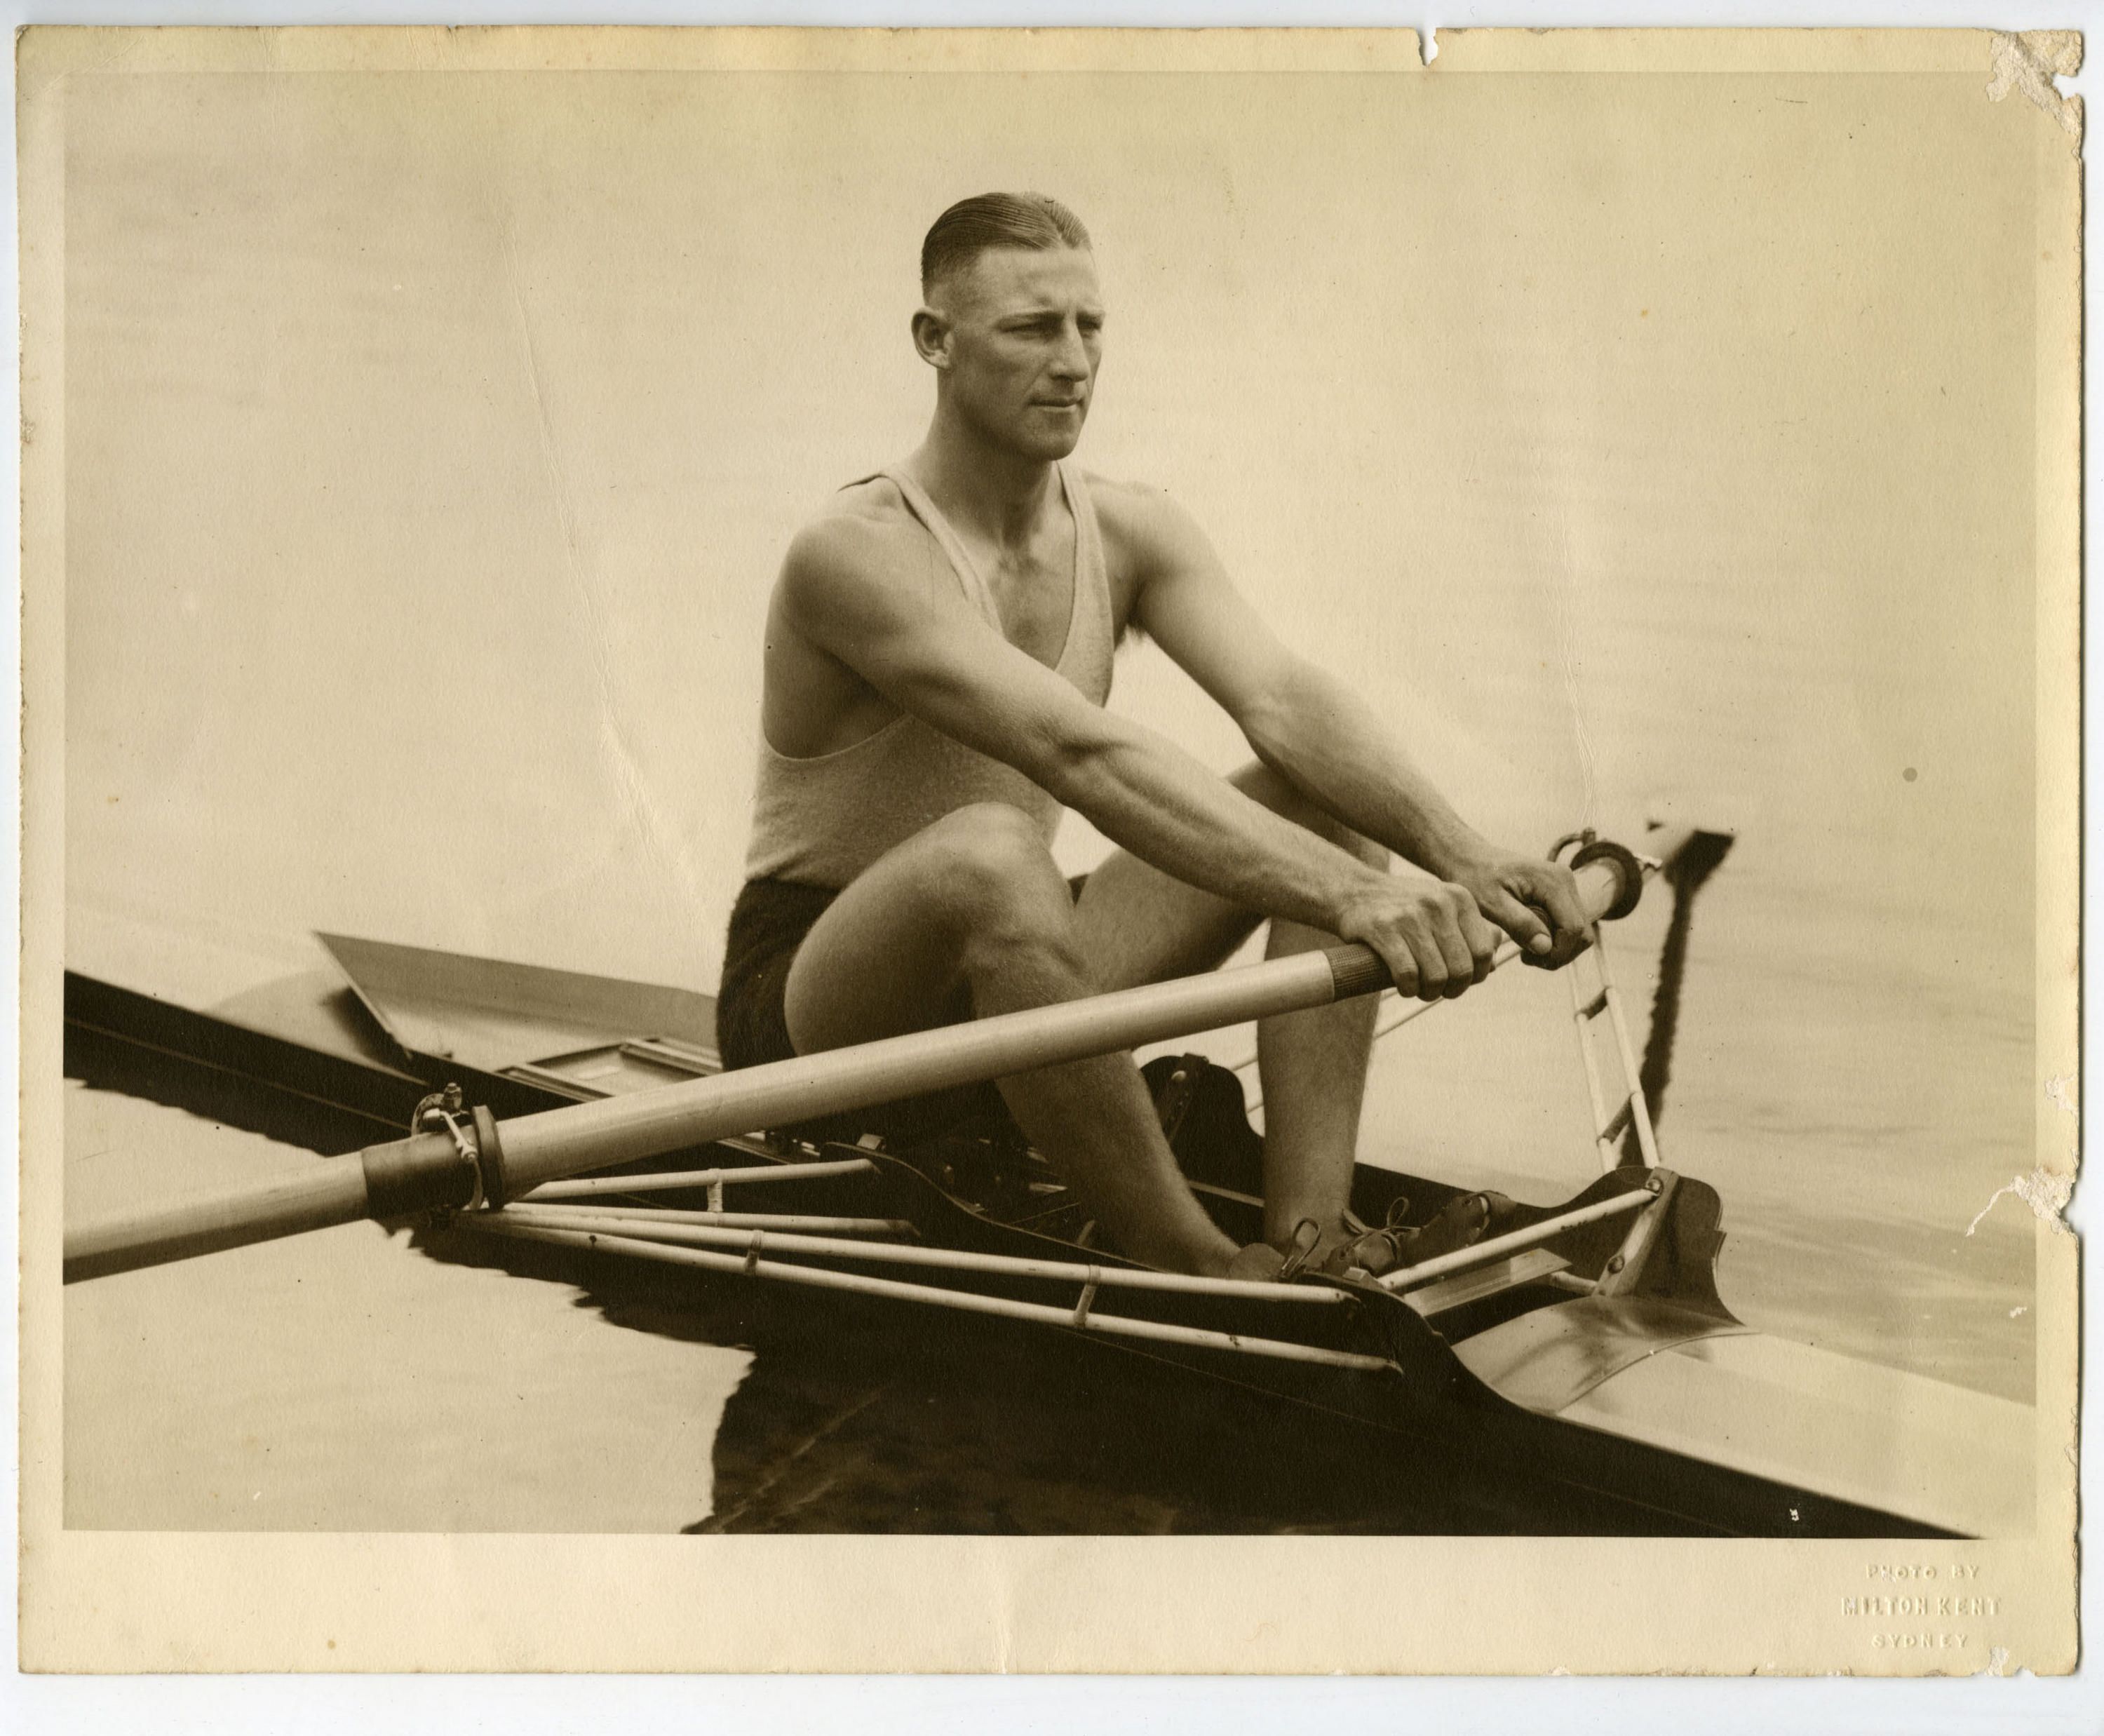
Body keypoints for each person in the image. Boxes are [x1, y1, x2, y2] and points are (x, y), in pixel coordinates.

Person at [719, 191, 1589, 1281]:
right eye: (1032, 329)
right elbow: (1076, 756)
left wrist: (1464, 856)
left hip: (1013, 955)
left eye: (1091, 327)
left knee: (1323, 800)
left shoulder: (1132, 529)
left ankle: (1314, 1240)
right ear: (934, 343)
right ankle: (1192, 1262)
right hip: (819, 1001)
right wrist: (1356, 900)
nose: (1074, 361)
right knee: (995, 852)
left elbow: (1282, 701)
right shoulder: (852, 555)